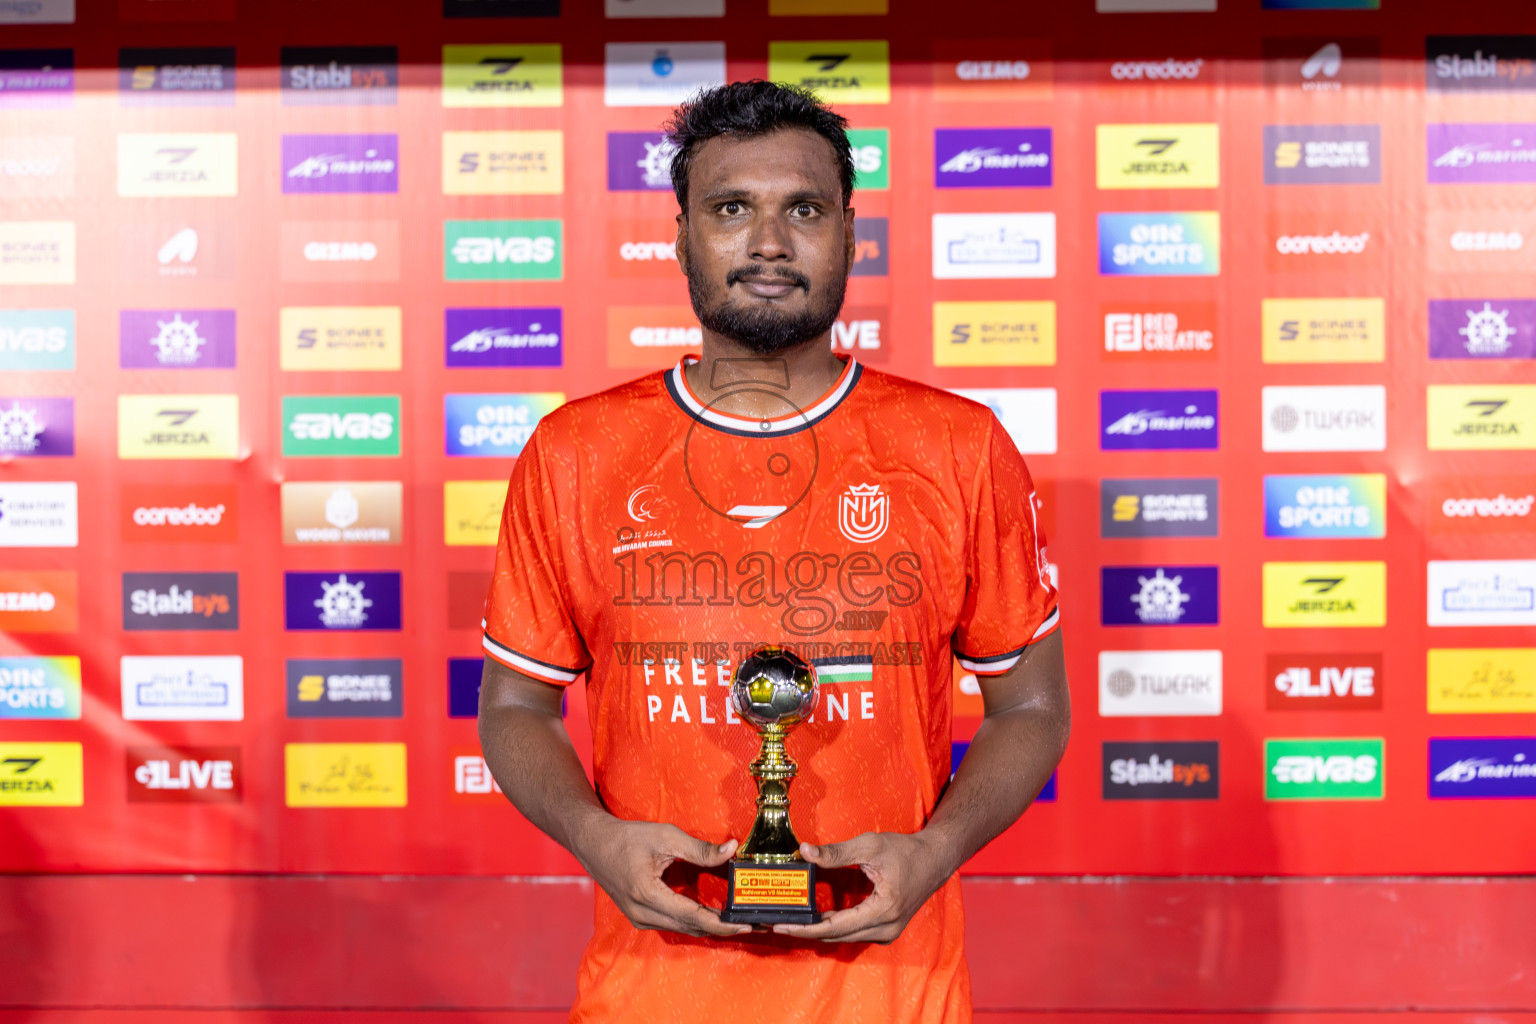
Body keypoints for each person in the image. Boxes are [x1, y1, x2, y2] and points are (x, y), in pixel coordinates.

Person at [478, 80, 1070, 1024]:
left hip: (896, 996)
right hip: (650, 995)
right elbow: (515, 705)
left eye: (802, 208)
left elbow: (1031, 704)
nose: (767, 242)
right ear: (679, 235)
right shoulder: (575, 452)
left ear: (848, 231)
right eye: (729, 209)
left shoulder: (958, 446)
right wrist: (594, 838)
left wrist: (935, 851)